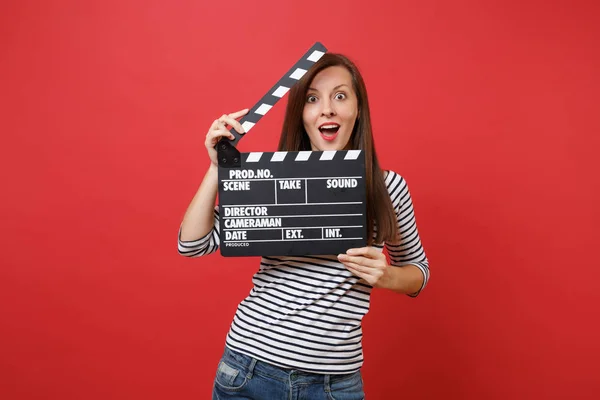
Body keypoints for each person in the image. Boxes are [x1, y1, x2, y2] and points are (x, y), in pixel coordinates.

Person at [178, 53, 430, 400]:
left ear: (358, 109)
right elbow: (192, 244)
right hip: (249, 369)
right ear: (302, 114)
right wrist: (216, 168)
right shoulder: (267, 179)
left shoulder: (387, 188)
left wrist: (387, 276)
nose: (326, 108)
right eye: (312, 98)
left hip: (334, 384)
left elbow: (418, 272)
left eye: (340, 96)